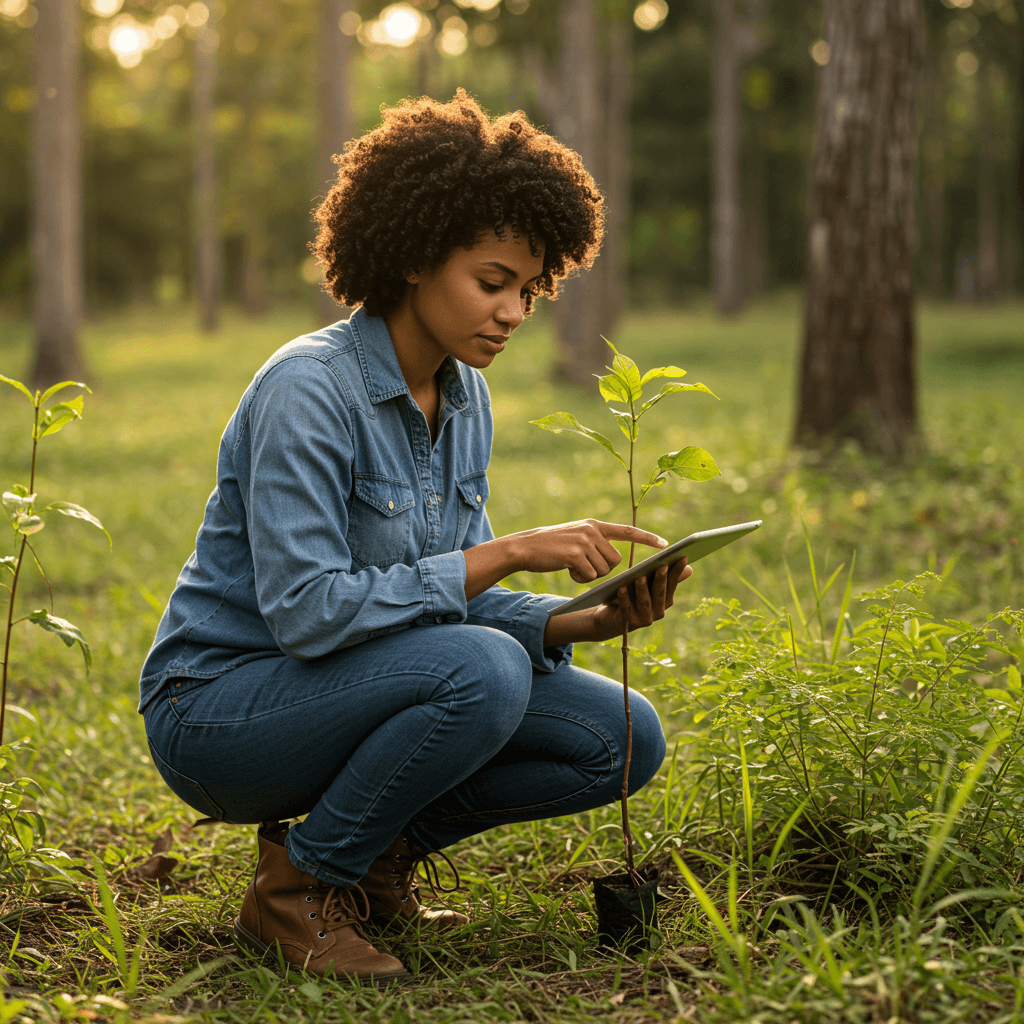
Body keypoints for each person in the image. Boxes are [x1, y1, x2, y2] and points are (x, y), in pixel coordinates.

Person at [139, 91, 691, 983]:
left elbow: (449, 603)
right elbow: (308, 613)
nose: (513, 311)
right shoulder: (308, 389)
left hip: (353, 685)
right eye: (492, 282)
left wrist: (577, 622)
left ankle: (372, 860)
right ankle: (295, 892)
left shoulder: (466, 398)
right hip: (219, 712)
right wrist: (510, 551)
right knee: (485, 670)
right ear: (412, 256)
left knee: (623, 734)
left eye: (529, 289)